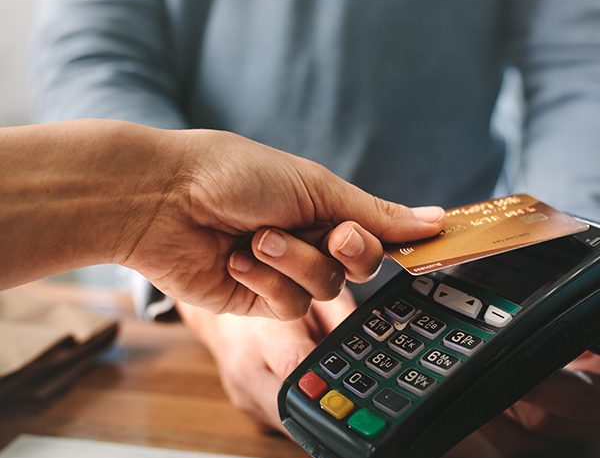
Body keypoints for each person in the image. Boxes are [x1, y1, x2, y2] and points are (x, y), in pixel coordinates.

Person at [32, 0, 600, 458]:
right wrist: (204, 289)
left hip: (470, 313)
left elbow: (579, 65)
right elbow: (96, 53)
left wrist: (568, 295)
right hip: (182, 325)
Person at [0, 118, 445, 315]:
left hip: (459, 301)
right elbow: (94, 53)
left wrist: (162, 199)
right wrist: (163, 198)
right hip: (196, 325)